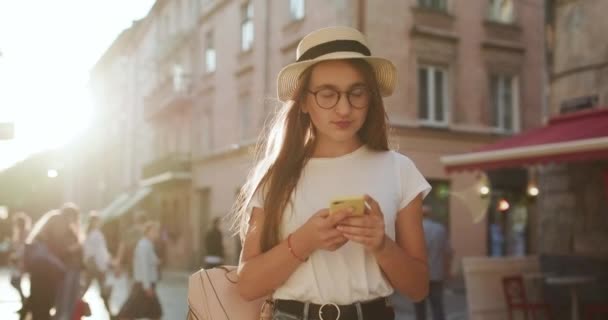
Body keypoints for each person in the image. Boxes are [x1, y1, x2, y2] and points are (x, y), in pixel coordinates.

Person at [231, 26, 432, 320]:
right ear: (303, 102)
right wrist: (304, 241)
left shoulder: (400, 170)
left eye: (356, 93)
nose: (344, 108)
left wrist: (381, 245)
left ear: (370, 98)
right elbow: (247, 285)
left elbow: (419, 288)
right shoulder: (275, 176)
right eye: (328, 94)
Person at [117, 221, 163, 320]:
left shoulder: (148, 245)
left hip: (147, 284)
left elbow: (151, 261)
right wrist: (147, 286)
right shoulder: (143, 246)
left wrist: (157, 262)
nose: (156, 234)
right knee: (128, 313)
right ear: (148, 232)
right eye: (154, 231)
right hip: (143, 285)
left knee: (155, 313)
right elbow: (143, 267)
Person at [414, 206, 452, 320]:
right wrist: (447, 271)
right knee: (437, 306)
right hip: (436, 273)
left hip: (418, 275)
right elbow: (448, 252)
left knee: (419, 308)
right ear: (430, 214)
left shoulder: (414, 229)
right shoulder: (440, 229)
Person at [83, 212, 114, 316]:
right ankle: (110, 313)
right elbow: (98, 253)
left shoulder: (91, 233)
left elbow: (100, 252)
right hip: (96, 265)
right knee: (102, 289)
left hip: (93, 265)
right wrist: (102, 266)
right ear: (94, 222)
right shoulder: (95, 234)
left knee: (86, 288)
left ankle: (110, 312)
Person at [9, 211, 31, 319]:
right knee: (15, 281)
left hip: (21, 261)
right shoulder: (19, 233)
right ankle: (25, 302)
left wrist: (18, 258)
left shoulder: (25, 233)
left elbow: (23, 248)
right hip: (18, 261)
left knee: (15, 281)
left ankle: (25, 302)